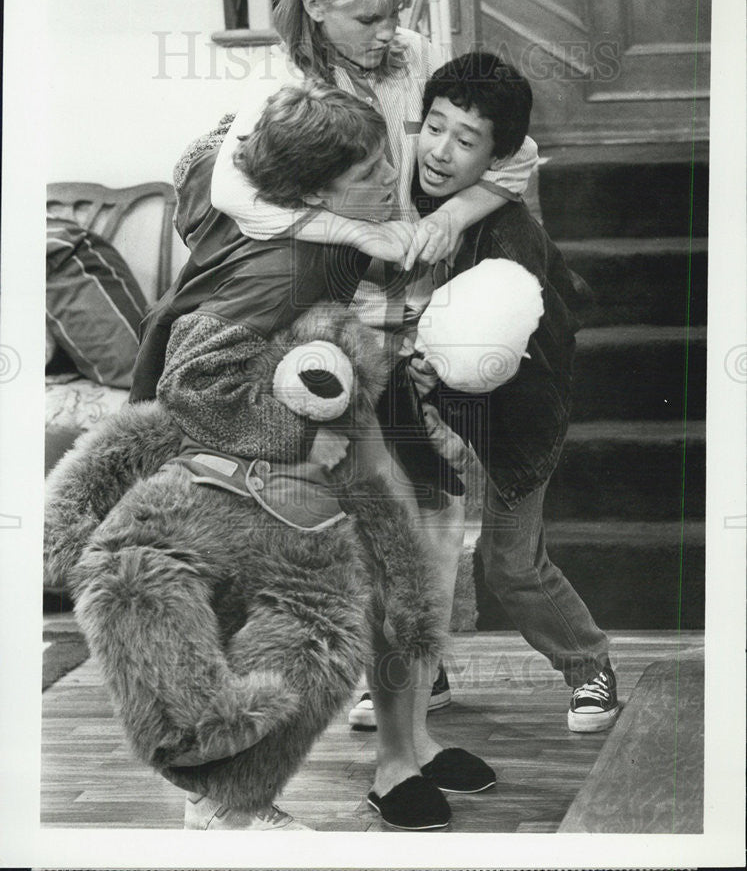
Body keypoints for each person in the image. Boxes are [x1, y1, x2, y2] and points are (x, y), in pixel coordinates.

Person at [132, 80, 495, 831]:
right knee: (294, 633)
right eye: (366, 175)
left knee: (400, 576)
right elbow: (190, 380)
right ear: (310, 191)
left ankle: (405, 749)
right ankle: (225, 802)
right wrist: (304, 437)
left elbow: (205, 157)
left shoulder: (268, 207)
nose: (388, 181)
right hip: (249, 462)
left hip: (323, 420)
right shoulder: (288, 266)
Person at [398, 51, 619, 734]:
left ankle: (591, 669)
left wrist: (435, 357)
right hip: (429, 403)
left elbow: (489, 349)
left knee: (509, 567)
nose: (440, 150)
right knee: (405, 543)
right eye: (433, 126)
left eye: (465, 141)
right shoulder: (402, 189)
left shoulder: (510, 236)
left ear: (495, 157)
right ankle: (420, 674)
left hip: (519, 409)